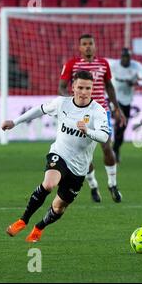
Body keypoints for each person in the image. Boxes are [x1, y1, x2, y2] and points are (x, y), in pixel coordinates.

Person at [3, 71, 110, 242]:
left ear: (92, 89)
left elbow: (104, 136)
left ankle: (39, 227)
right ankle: (22, 220)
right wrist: (14, 122)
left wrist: (88, 131)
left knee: (59, 207)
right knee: (49, 184)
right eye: (80, 87)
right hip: (59, 154)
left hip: (79, 168)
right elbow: (39, 110)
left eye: (87, 88)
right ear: (73, 87)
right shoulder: (62, 103)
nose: (83, 92)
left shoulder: (98, 111)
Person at [59, 34, 127, 203]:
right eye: (84, 44)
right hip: (81, 114)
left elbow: (109, 86)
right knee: (83, 153)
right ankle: (93, 185)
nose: (88, 47)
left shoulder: (103, 64)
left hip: (102, 112)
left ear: (95, 46)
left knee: (107, 147)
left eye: (90, 43)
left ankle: (112, 184)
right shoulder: (72, 64)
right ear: (79, 47)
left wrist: (117, 108)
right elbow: (62, 87)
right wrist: (70, 105)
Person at [108, 48, 142, 163]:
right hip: (113, 98)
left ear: (130, 58)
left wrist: (135, 83)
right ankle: (111, 149)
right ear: (121, 57)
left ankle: (116, 149)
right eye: (124, 57)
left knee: (122, 128)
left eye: (127, 57)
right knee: (119, 120)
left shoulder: (136, 66)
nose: (125, 59)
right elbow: (100, 61)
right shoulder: (113, 65)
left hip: (126, 101)